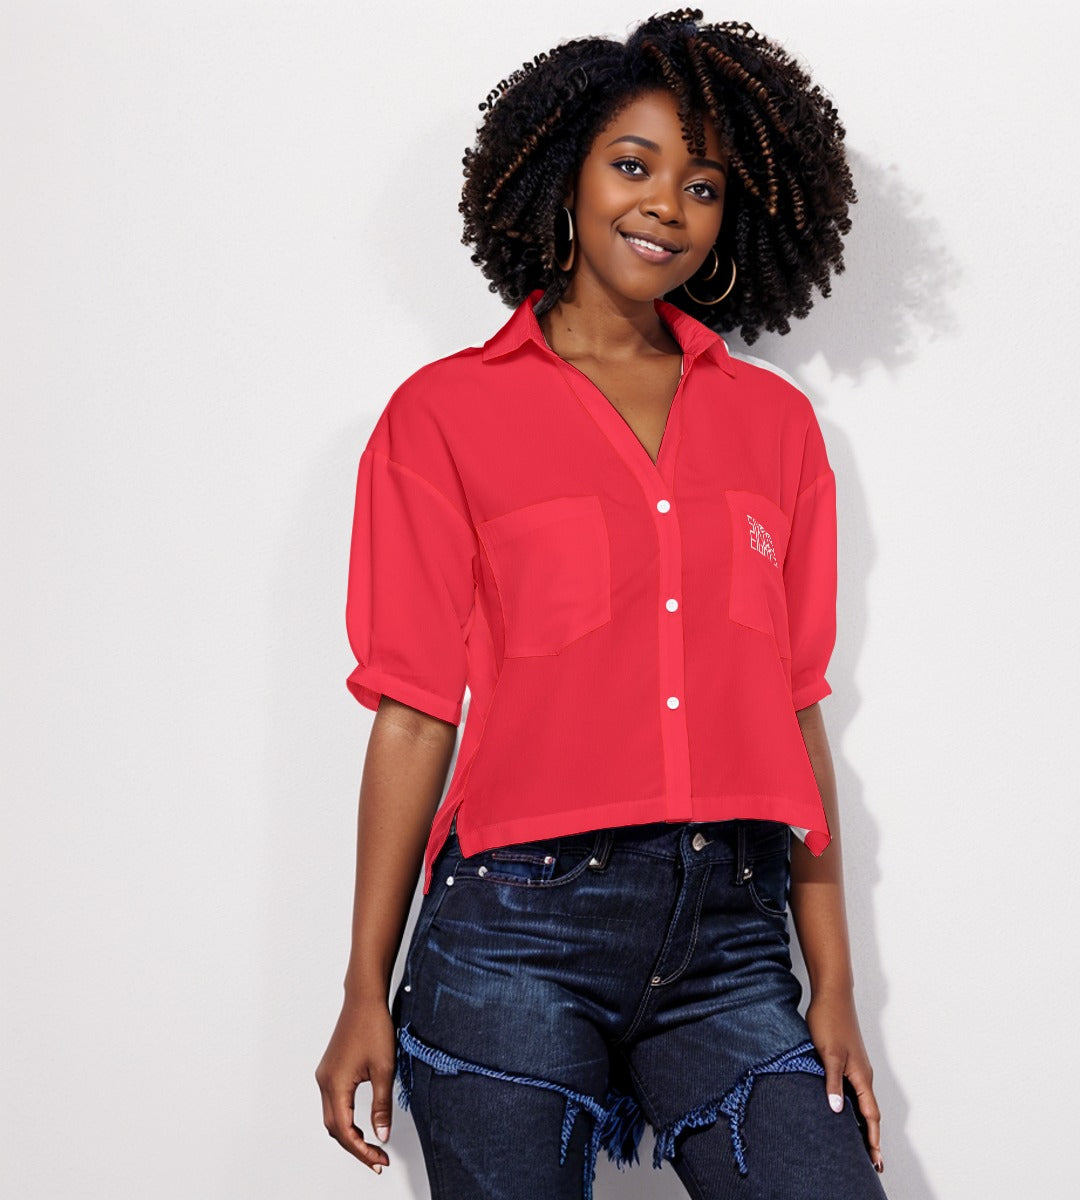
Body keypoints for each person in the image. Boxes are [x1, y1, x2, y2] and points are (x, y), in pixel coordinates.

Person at [316, 10, 889, 1198]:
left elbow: (795, 708)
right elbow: (415, 711)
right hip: (511, 934)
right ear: (564, 175)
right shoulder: (443, 416)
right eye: (633, 166)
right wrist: (363, 984)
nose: (666, 207)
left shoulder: (775, 426)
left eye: (703, 187)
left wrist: (832, 985)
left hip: (731, 939)